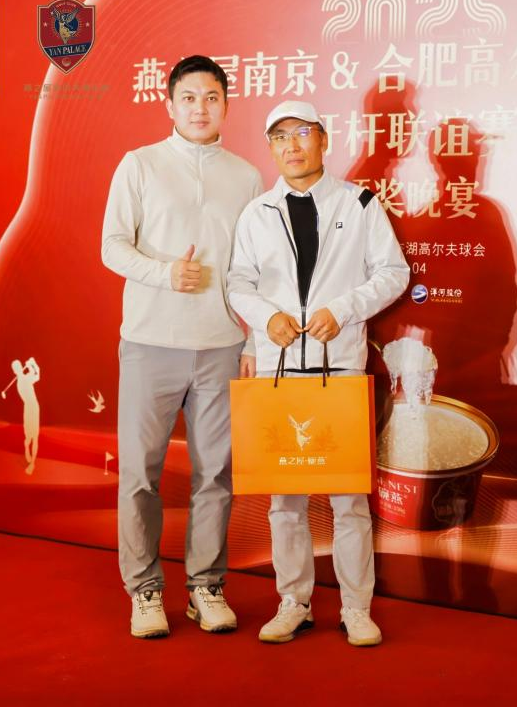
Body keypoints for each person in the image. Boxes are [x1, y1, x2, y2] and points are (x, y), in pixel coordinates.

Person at [227, 100, 410, 647]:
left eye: (302, 133)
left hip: (340, 366)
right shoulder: (257, 212)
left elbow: (393, 272)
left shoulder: (358, 203)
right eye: (280, 136)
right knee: (285, 500)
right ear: (271, 147)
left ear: (323, 140)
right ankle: (294, 602)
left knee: (348, 498)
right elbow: (239, 283)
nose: (292, 145)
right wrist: (267, 319)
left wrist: (344, 309)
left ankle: (356, 607)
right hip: (279, 369)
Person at [101, 55, 262, 639]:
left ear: (226, 105)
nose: (200, 108)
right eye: (189, 98)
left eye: (211, 97)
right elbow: (112, 246)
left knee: (215, 473)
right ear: (169, 104)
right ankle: (144, 591)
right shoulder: (139, 165)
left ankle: (206, 587)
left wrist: (253, 338)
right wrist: (166, 273)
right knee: (140, 474)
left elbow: (257, 268)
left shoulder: (247, 176)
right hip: (150, 342)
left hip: (221, 345)